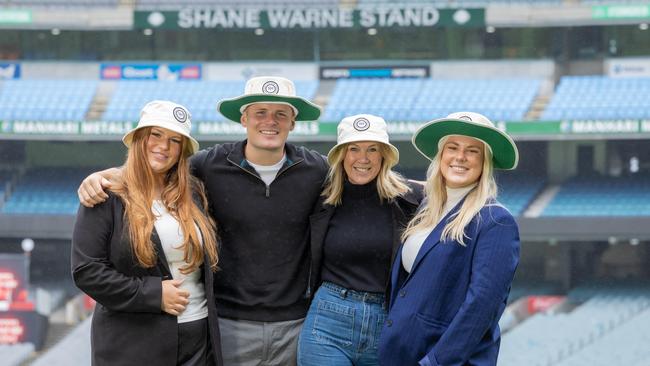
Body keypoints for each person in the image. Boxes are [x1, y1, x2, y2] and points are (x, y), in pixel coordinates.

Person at [76, 77, 329, 366]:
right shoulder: (209, 165)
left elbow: (360, 176)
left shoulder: (317, 169)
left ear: (293, 122)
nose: (269, 121)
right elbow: (154, 165)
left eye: (280, 113)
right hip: (226, 325)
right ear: (244, 118)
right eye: (260, 112)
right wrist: (106, 176)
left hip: (288, 326)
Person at [71, 100, 222, 366]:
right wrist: (154, 295)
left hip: (199, 341)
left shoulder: (195, 192)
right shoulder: (105, 194)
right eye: (156, 135)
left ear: (182, 150)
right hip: (134, 344)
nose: (163, 146)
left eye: (175, 140)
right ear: (139, 138)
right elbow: (87, 271)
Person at [378, 112, 521, 366]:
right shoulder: (426, 210)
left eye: (472, 151)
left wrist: (436, 361)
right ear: (440, 156)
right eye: (452, 147)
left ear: (484, 162)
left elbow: (481, 307)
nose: (460, 157)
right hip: (401, 354)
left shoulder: (495, 221)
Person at [297, 114, 422, 366]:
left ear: (383, 155)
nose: (362, 158)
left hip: (386, 320)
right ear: (342, 155)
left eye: (372, 149)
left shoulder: (411, 199)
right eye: (353, 149)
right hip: (328, 321)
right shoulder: (320, 198)